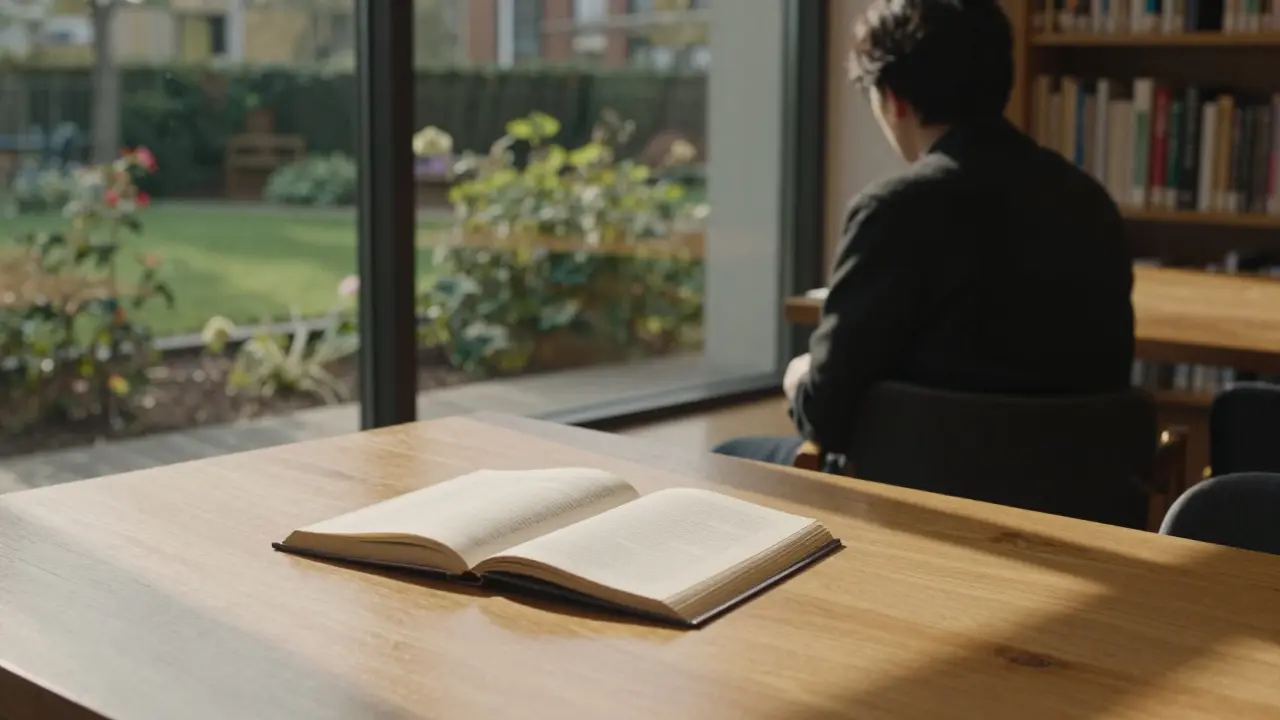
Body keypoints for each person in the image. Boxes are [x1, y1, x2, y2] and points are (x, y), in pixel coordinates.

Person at [714, 0, 1135, 467]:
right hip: (1076, 501)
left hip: (916, 502)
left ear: (893, 99)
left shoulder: (894, 210)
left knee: (728, 458)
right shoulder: (1090, 202)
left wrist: (798, 380)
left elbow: (825, 415)